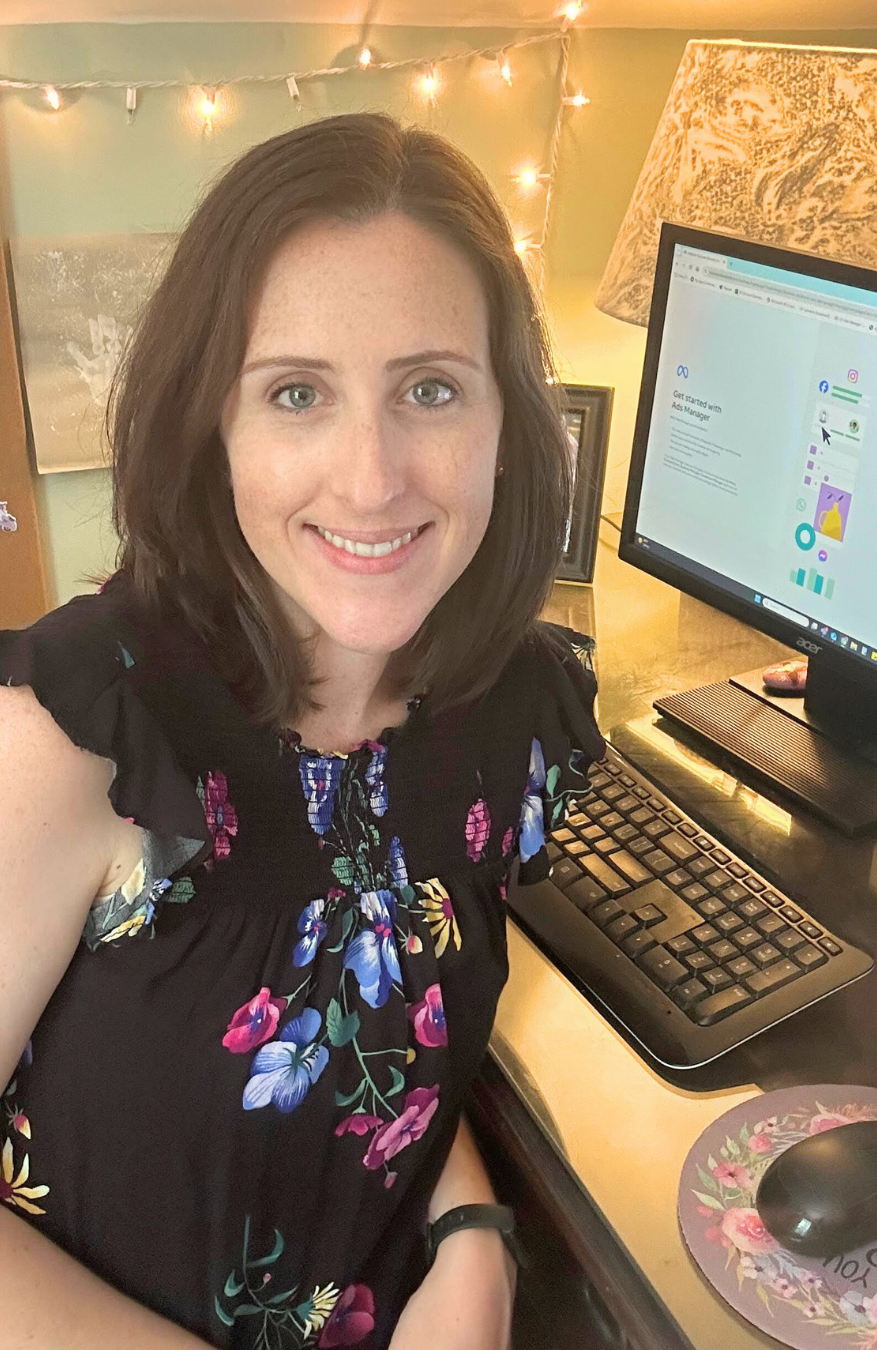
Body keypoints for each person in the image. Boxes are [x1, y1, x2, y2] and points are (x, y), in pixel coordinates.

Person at [0, 112, 604, 1350]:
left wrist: (473, 1232)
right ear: (212, 426)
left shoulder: (517, 719)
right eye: (295, 395)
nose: (373, 476)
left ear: (508, 423)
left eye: (430, 389)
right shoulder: (77, 738)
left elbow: (389, 1040)